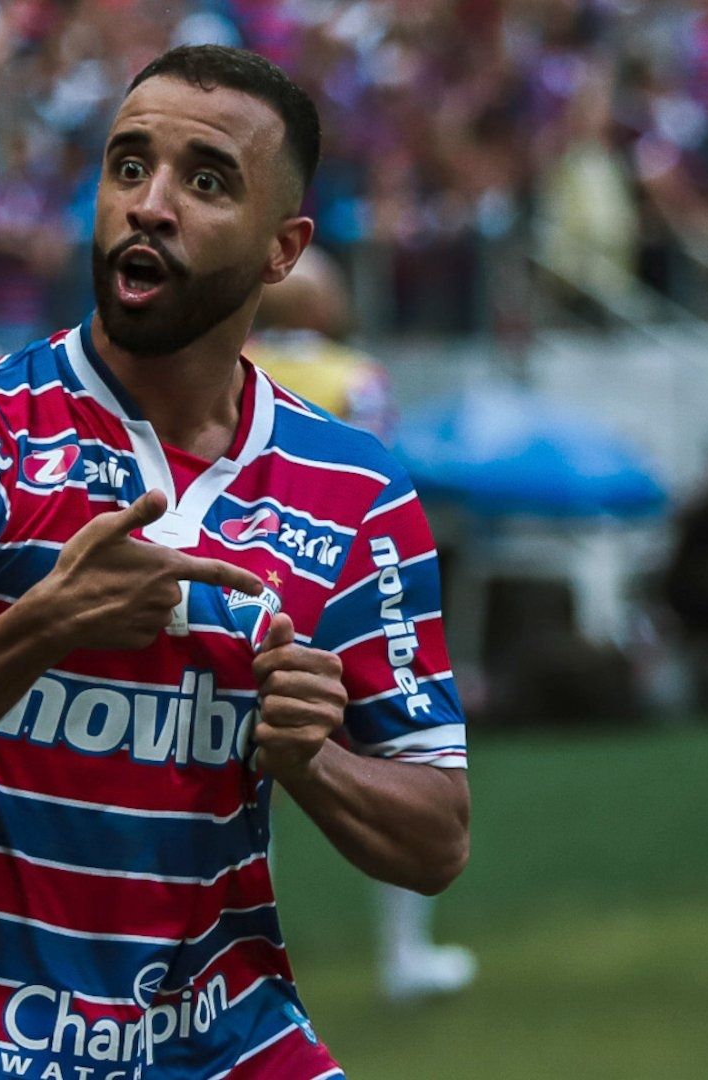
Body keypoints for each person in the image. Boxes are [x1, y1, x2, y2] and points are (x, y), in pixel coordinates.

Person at [0, 45, 470, 1078]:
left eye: (206, 181)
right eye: (127, 165)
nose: (149, 204)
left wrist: (314, 761)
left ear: (282, 251)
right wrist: (42, 625)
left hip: (232, 1047)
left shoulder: (358, 491)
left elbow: (436, 841)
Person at [251, 249, 472, 1001]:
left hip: (239, 597)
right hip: (342, 599)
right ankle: (405, 957)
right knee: (402, 770)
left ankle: (230, 961)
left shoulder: (223, 364)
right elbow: (381, 476)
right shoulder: (358, 376)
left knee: (241, 785)